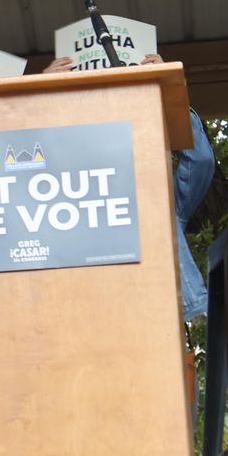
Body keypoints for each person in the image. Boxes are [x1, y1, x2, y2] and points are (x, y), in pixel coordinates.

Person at [45, 52, 214, 319]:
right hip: (90, 322)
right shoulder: (61, 204)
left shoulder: (159, 200)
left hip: (166, 319)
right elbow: (15, 171)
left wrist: (171, 97)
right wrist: (41, 97)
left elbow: (199, 159)